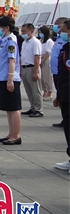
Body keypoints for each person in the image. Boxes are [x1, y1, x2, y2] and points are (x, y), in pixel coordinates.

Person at [0, 16, 22, 145]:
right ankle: (11, 133)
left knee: (13, 107)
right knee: (8, 108)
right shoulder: (3, 40)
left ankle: (16, 135)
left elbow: (12, 60)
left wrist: (10, 78)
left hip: (9, 77)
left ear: (7, 28)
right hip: (2, 76)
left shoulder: (11, 40)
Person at [52, 19, 70, 173]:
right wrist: (59, 95)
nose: (61, 33)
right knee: (68, 128)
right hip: (65, 92)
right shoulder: (66, 48)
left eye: (64, 30)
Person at [19, 23, 43, 117]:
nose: (22, 33)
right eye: (22, 31)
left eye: (24, 31)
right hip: (25, 67)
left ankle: (38, 109)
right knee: (29, 90)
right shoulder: (25, 42)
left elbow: (37, 57)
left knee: (36, 90)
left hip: (32, 67)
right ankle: (32, 107)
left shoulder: (35, 42)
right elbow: (22, 56)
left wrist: (35, 72)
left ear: (31, 31)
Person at [50, 17, 68, 129]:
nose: (56, 27)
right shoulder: (59, 38)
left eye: (58, 25)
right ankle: (64, 118)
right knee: (61, 97)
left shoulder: (65, 40)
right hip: (57, 72)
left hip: (64, 74)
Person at [38, 25, 54, 101]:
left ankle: (49, 91)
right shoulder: (40, 41)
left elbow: (48, 52)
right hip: (40, 57)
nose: (40, 34)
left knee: (47, 76)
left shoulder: (49, 41)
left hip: (46, 58)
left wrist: (42, 60)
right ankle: (44, 90)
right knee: (42, 77)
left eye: (41, 32)